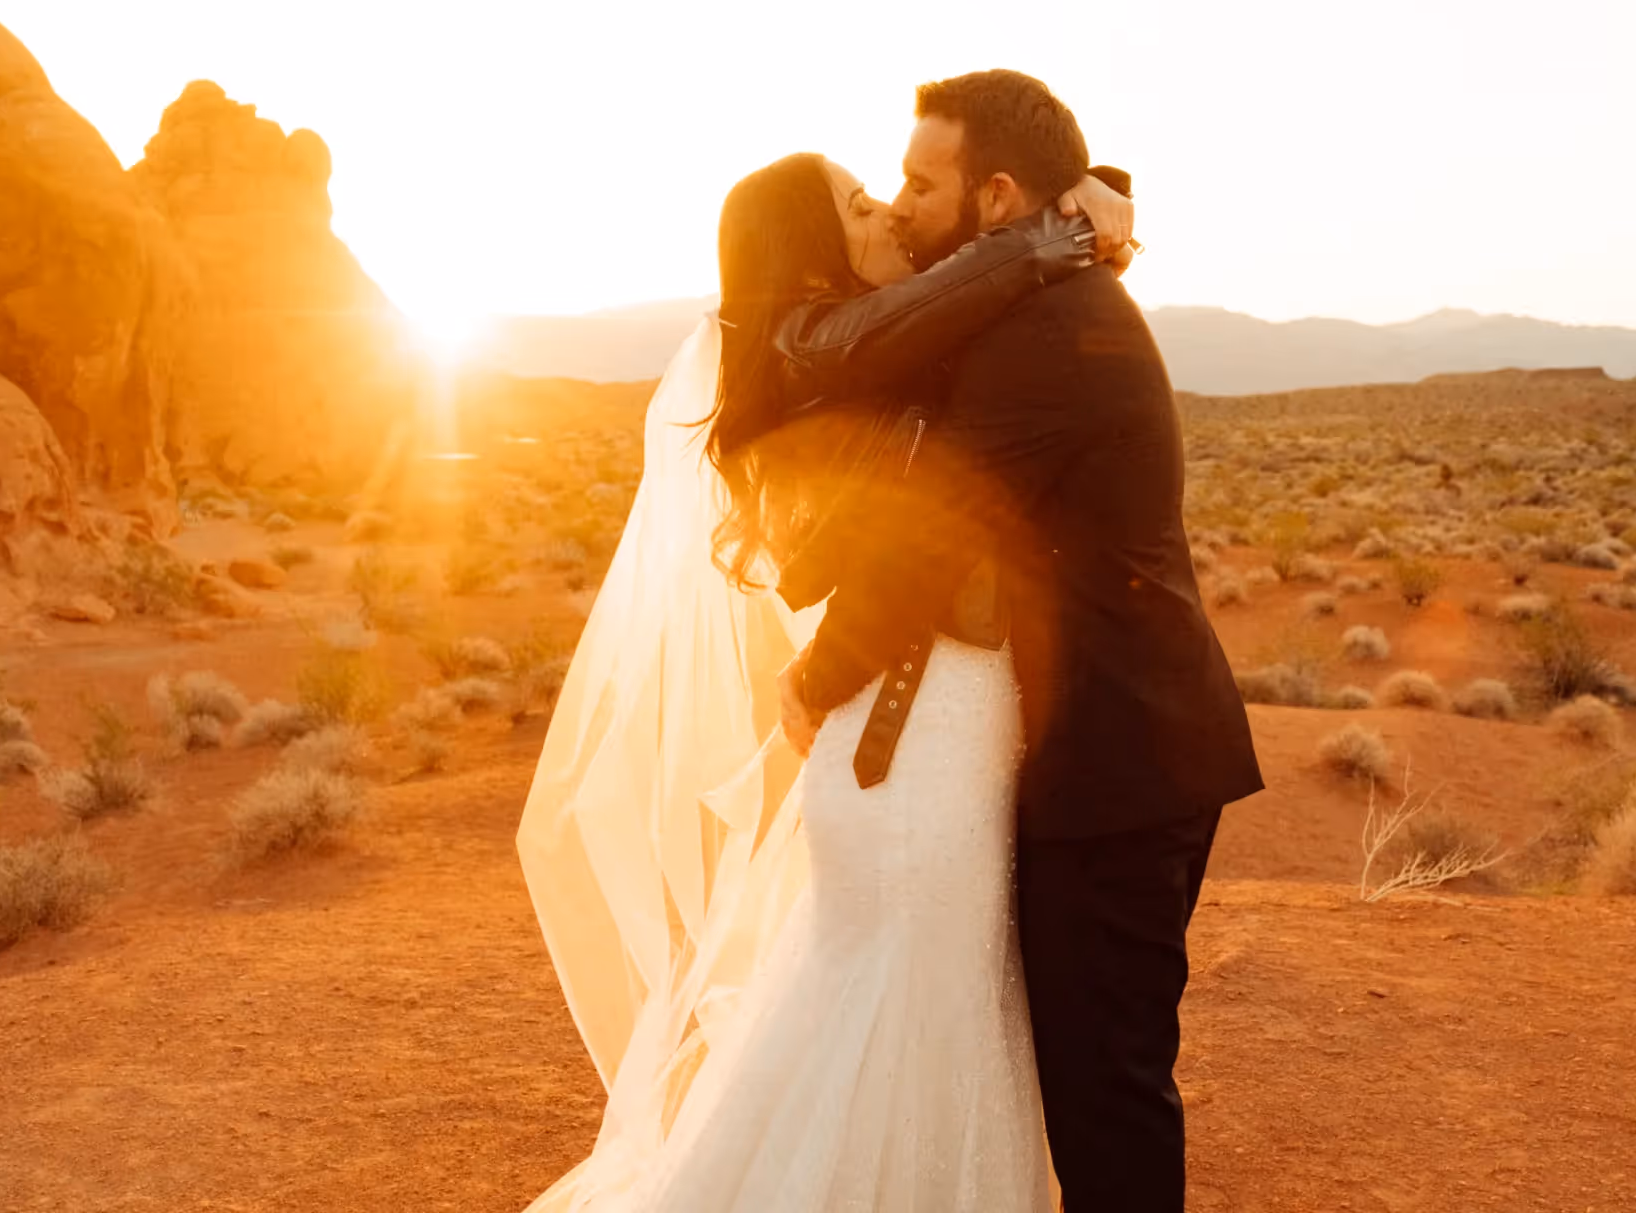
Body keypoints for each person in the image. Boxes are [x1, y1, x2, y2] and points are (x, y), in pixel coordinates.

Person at [518, 138, 1135, 1211]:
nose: (893, 216)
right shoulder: (832, 346)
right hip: (912, 733)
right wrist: (1070, 221)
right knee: (910, 1015)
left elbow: (969, 289)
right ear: (812, 259)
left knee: (905, 1009)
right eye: (860, 206)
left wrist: (1093, 198)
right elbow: (933, 502)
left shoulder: (864, 349)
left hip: (917, 729)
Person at [775, 70, 1263, 1212]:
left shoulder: (1047, 330)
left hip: (1121, 760)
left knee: (1106, 1092)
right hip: (1107, 750)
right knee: (1089, 1079)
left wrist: (813, 680)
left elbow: (937, 532)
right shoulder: (1033, 298)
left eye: (917, 180)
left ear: (996, 200)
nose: (898, 204)